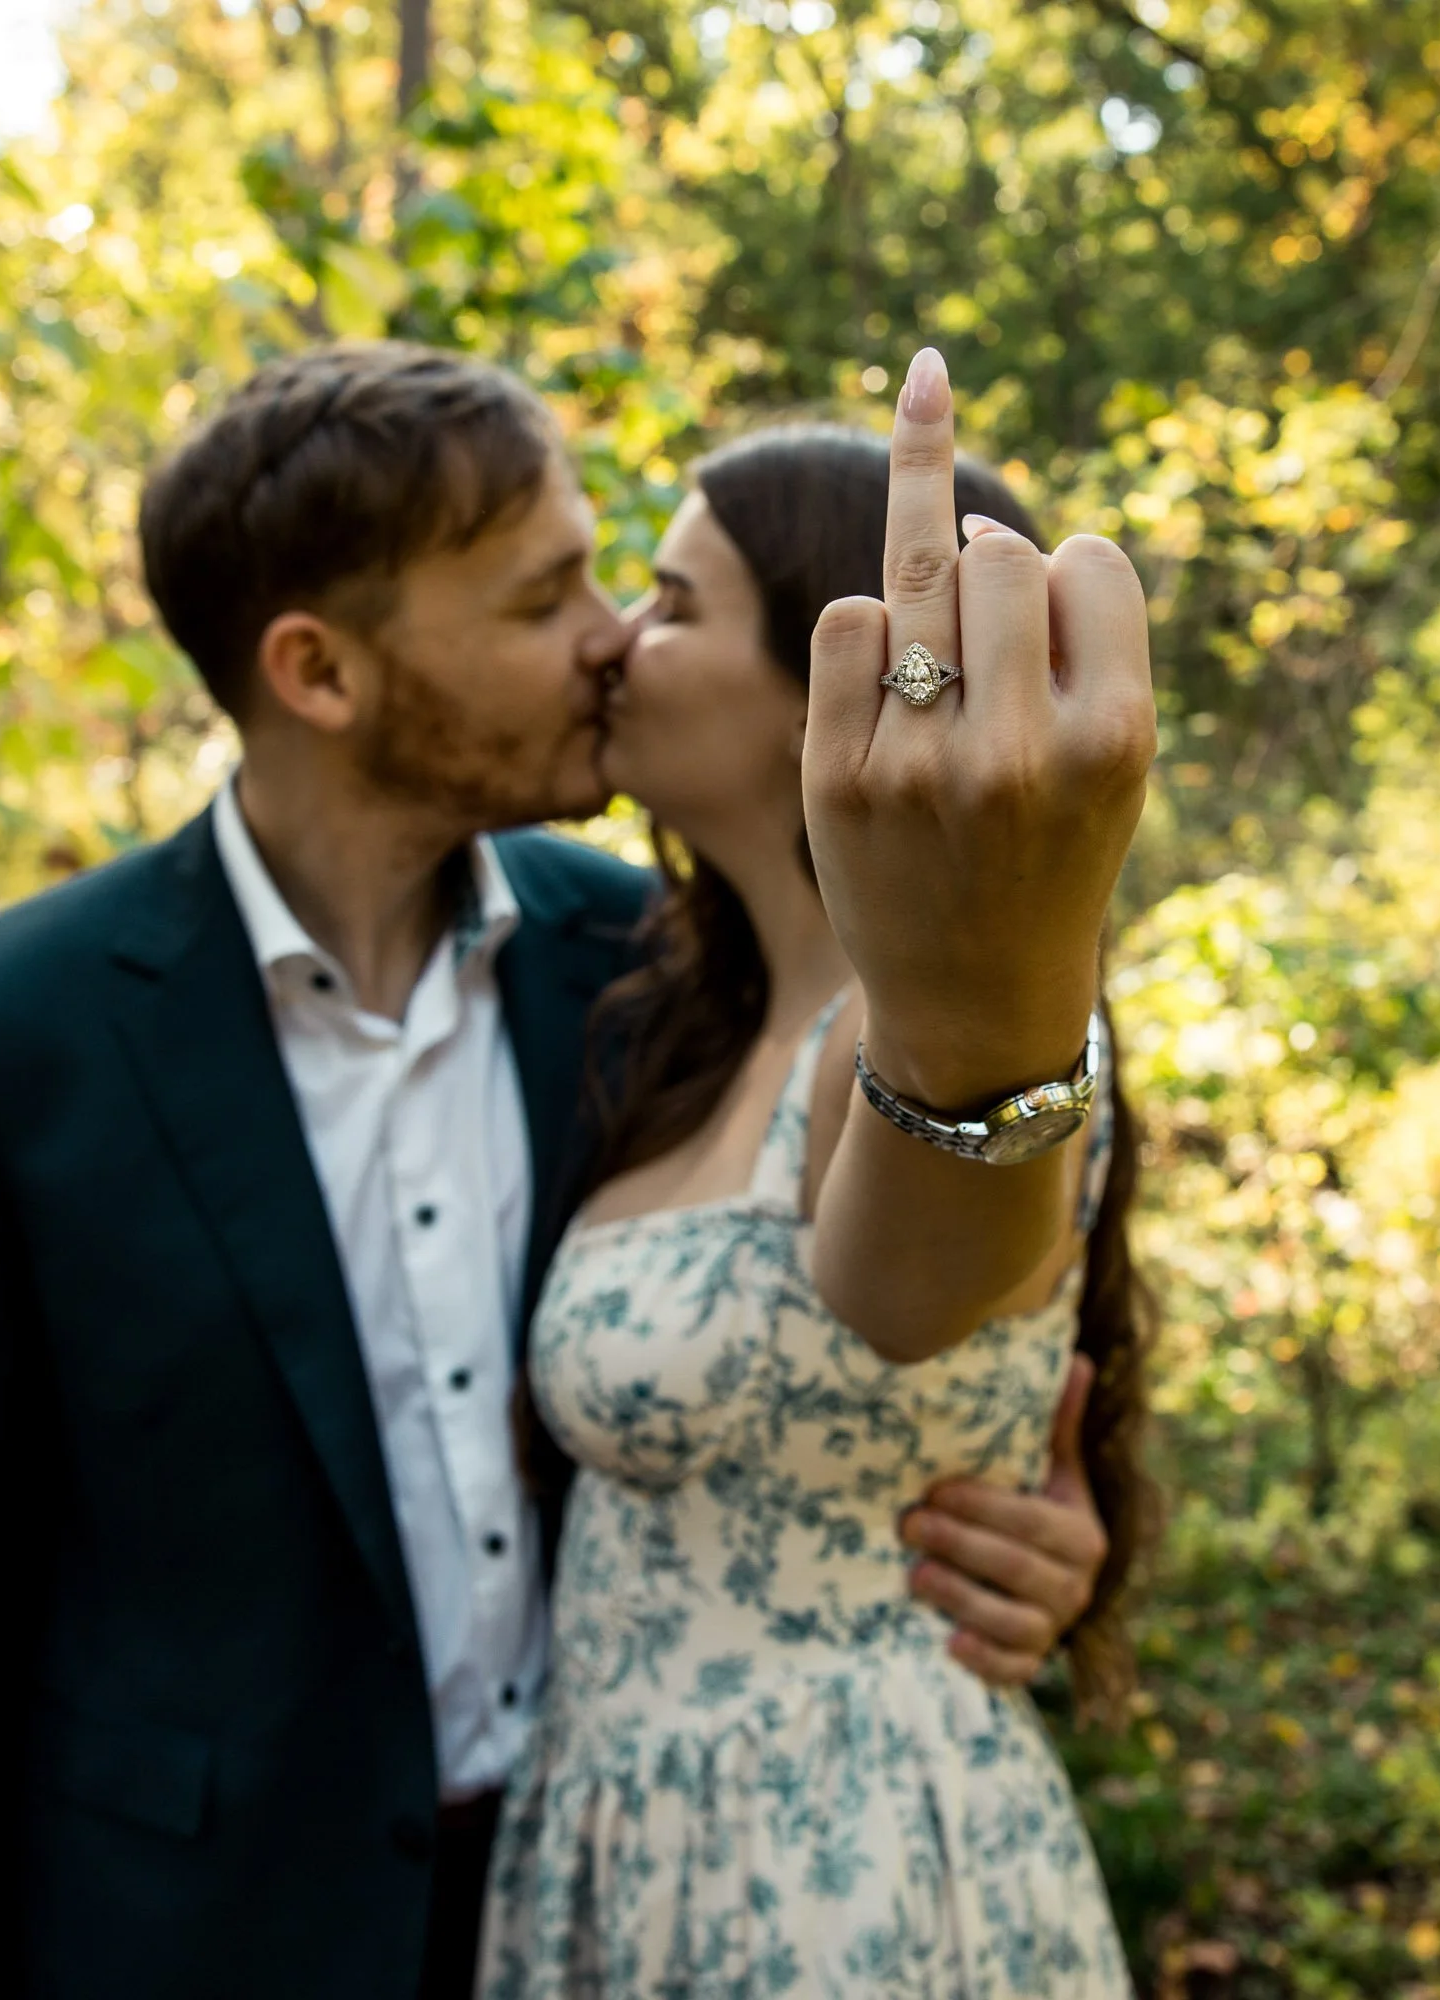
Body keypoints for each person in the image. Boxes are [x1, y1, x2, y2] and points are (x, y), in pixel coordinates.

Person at [0, 342, 1114, 2000]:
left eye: (629, 586)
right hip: (216, 1937)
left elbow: (919, 1288)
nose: (607, 633)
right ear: (318, 671)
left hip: (634, 1894)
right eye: (546, 602)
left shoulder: (633, 962)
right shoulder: (0, 1037)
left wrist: (1035, 1534)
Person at [478, 369, 1156, 1995]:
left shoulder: (941, 1018)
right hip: (613, 1860)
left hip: (844, 1886)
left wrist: (991, 1001)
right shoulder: (657, 1009)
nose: (619, 643)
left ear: (833, 679)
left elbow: (914, 1285)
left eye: (670, 603)